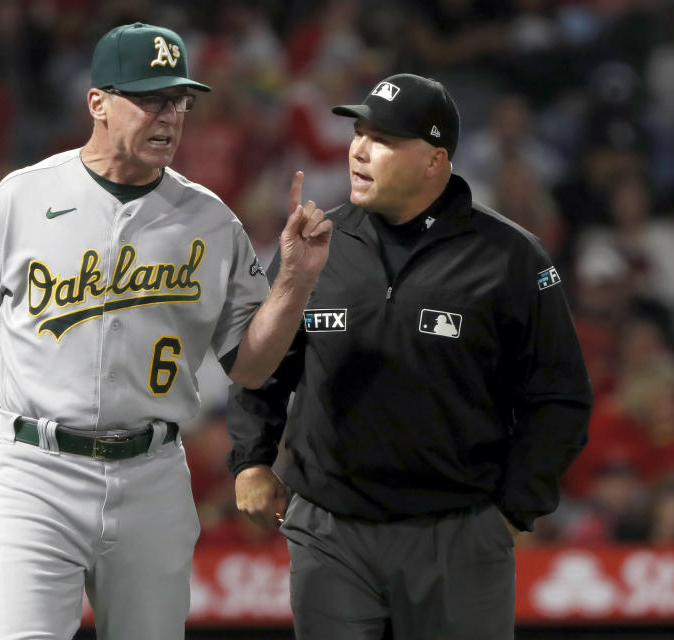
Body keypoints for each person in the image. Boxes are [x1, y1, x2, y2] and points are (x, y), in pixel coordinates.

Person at [0, 22, 331, 640]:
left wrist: (294, 283)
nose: (168, 115)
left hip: (153, 475)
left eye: (179, 101)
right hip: (37, 470)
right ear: (97, 102)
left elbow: (250, 367)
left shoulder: (211, 219)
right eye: (149, 99)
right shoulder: (22, 197)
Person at [228, 73, 593, 639]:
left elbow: (560, 398)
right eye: (358, 133)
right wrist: (251, 458)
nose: (359, 150)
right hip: (331, 531)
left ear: (435, 160)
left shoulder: (509, 257)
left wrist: (510, 511)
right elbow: (262, 363)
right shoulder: (316, 244)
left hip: (457, 534)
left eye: (385, 139)